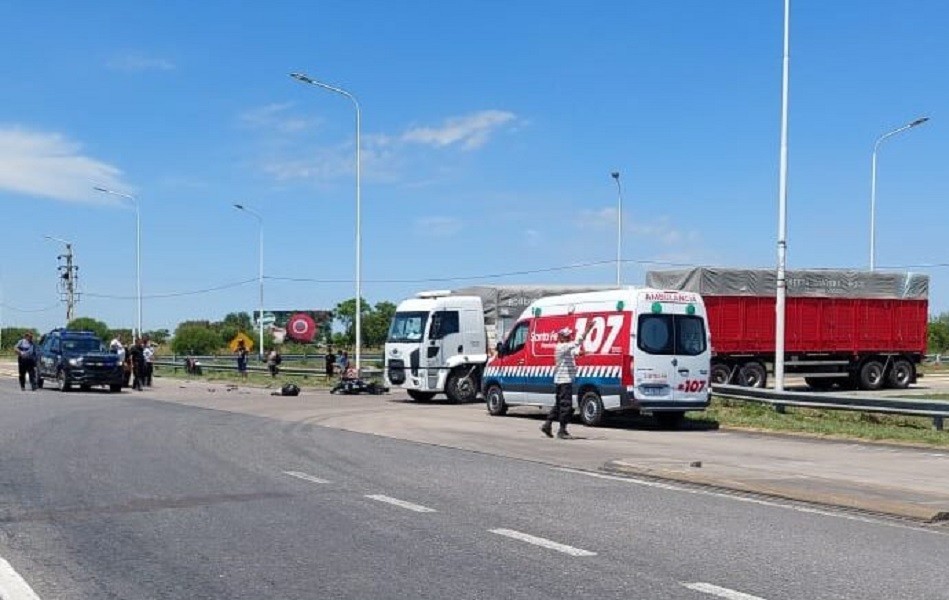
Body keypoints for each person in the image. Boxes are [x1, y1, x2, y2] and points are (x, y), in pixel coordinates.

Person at [542, 322, 593, 439]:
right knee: (566, 405)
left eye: (569, 335)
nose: (569, 337)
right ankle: (562, 430)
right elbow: (576, 343)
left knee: (558, 405)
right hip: (564, 381)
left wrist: (583, 353)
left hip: (562, 380)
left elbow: (575, 351)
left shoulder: (565, 348)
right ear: (561, 337)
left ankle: (547, 424)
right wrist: (587, 330)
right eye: (567, 336)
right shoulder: (561, 347)